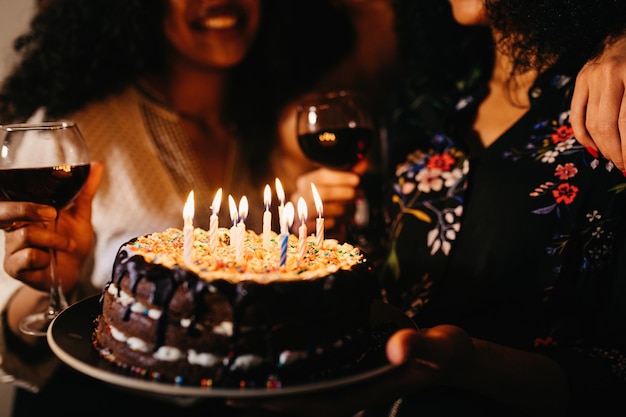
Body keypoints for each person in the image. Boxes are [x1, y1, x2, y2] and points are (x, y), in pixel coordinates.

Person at [227, 0, 626, 416]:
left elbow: (614, 371)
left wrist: (467, 363)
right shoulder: (423, 98)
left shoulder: (612, 106)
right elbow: (387, 278)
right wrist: (335, 242)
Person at [0, 0, 363, 415]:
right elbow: (16, 335)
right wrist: (48, 283)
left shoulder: (275, 127)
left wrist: (317, 232)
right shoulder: (70, 136)